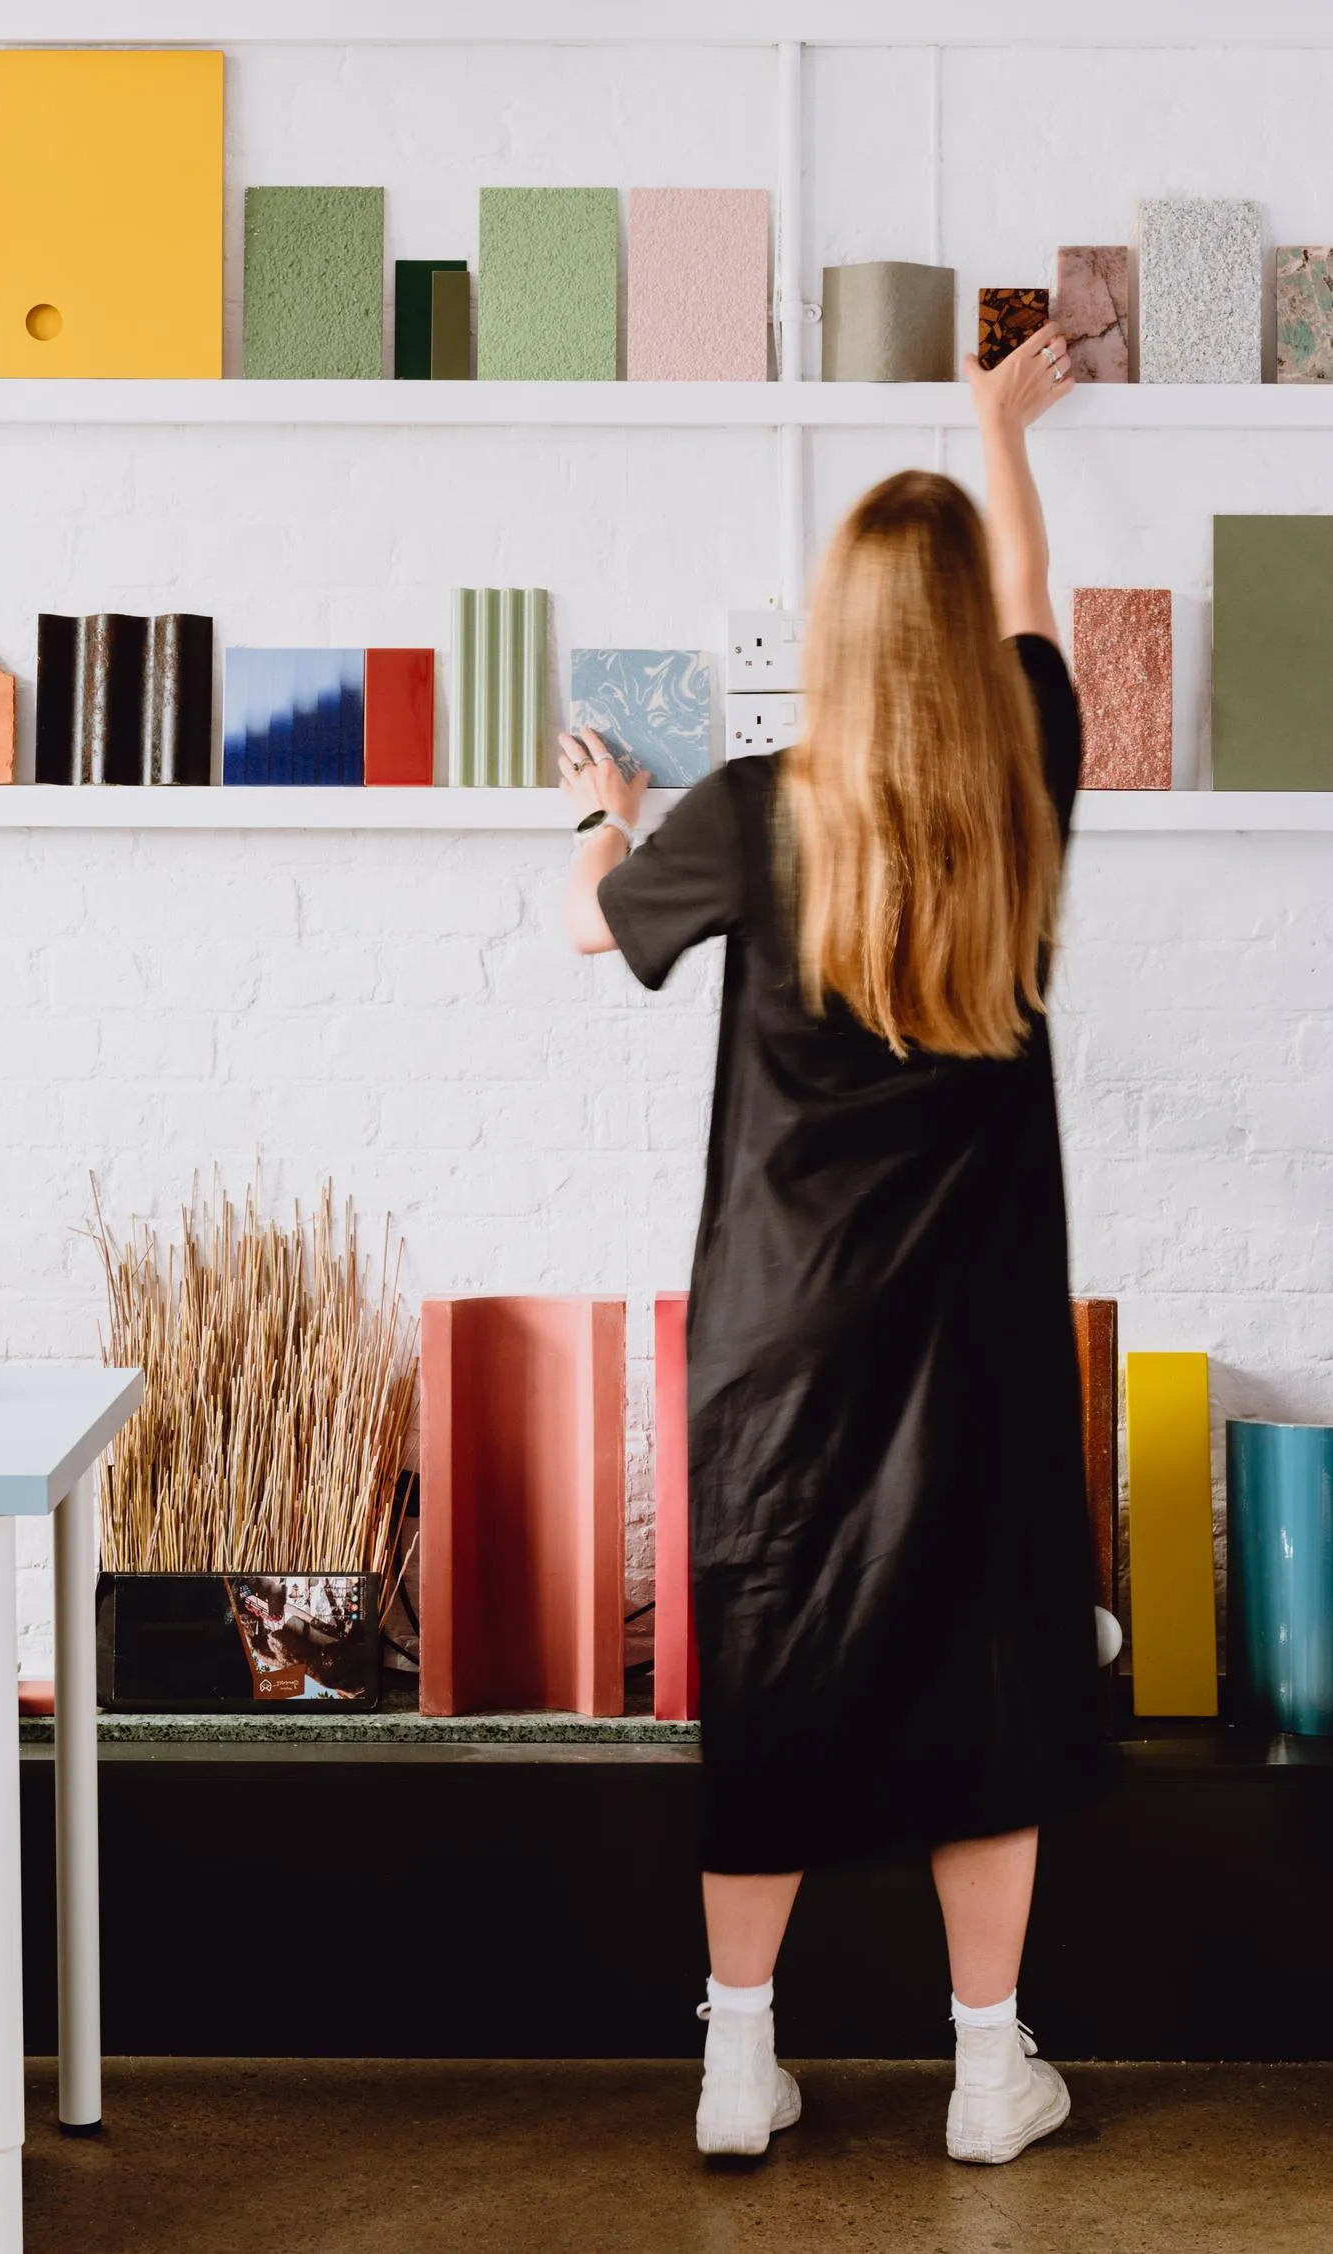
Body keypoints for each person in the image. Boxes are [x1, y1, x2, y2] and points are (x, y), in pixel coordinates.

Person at [557, 321, 1104, 2168]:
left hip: (778, 1341)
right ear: (966, 652)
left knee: (776, 1674)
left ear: (840, 642)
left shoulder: (746, 816)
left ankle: (735, 2065)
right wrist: (995, 427)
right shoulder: (1027, 775)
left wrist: (597, 820)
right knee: (993, 1677)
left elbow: (586, 927)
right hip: (980, 1345)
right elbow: (1034, 594)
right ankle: (984, 2071)